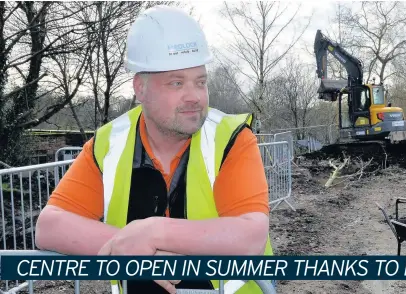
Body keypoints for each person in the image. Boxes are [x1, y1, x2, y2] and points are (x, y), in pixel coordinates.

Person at [35, 5, 273, 294]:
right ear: (140, 88)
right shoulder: (110, 143)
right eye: (176, 83)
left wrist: (152, 233)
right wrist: (137, 248)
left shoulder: (231, 138)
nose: (194, 97)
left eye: (200, 82)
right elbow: (49, 226)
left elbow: (250, 236)